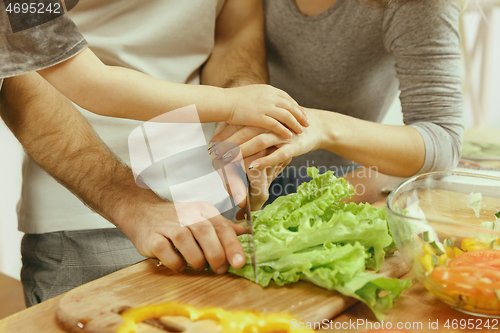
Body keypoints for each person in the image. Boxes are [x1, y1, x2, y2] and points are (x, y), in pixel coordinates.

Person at [0, 0, 291, 306]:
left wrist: (241, 119)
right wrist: (232, 103)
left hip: (212, 206)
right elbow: (92, 83)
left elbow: (236, 33)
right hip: (87, 224)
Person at [211, 0, 465, 202]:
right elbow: (230, 42)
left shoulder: (417, 5)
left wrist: (320, 126)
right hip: (226, 174)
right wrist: (239, 107)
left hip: (343, 187)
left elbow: (443, 140)